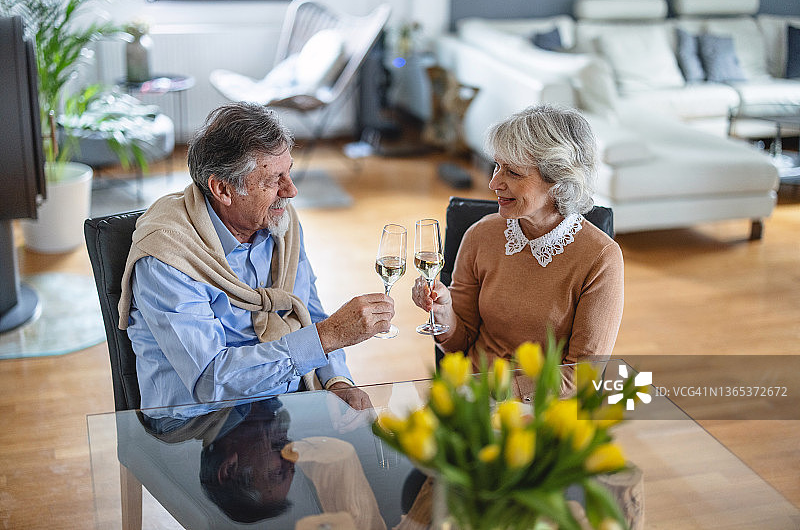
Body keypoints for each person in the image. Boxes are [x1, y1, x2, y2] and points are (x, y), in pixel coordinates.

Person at [118, 101, 390, 412]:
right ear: (223, 189)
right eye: (274, 180)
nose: (290, 191)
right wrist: (331, 335)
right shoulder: (169, 256)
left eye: (289, 172)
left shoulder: (279, 225)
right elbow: (211, 380)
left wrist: (337, 380)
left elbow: (308, 311)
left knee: (383, 447)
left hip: (285, 405)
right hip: (200, 427)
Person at [412, 104, 624, 394]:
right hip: (469, 398)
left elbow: (578, 377)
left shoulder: (600, 258)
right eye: (497, 166)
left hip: (542, 406)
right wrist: (443, 309)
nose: (493, 182)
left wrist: (495, 392)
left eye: (512, 172)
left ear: (559, 181)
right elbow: (459, 343)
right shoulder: (481, 235)